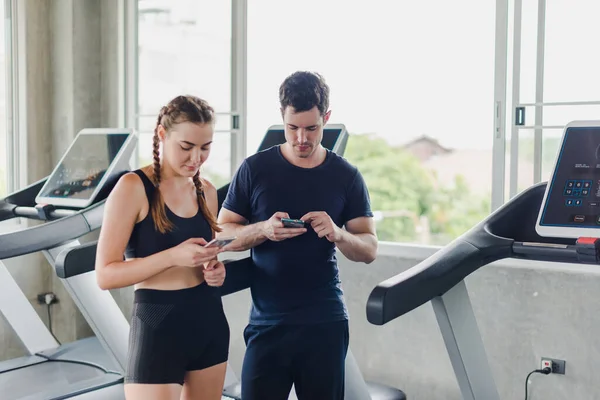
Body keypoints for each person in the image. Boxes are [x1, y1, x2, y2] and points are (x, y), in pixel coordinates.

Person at [217, 71, 378, 400]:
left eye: (311, 128)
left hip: (324, 322)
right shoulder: (254, 169)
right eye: (293, 128)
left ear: (326, 118)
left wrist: (338, 234)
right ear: (282, 117)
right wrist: (262, 230)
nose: (301, 138)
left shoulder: (346, 176)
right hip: (267, 324)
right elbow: (222, 234)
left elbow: (369, 248)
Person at [95, 95, 230, 400]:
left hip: (209, 320)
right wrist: (172, 256)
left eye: (205, 148)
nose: (196, 158)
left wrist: (213, 270)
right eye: (186, 147)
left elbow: (201, 259)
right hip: (158, 325)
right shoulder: (132, 188)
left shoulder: (206, 191)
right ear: (161, 135)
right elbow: (105, 275)